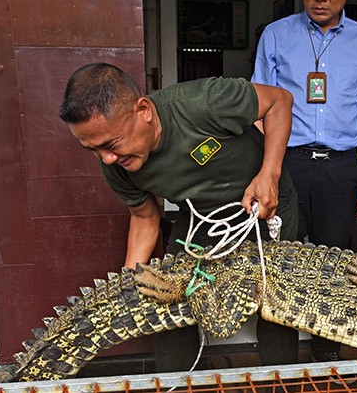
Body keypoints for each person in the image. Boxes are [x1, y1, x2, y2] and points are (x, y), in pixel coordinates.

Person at [59, 63, 301, 371]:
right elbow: (145, 218)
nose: (107, 158)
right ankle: (173, 384)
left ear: (143, 110)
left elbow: (279, 101)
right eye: (93, 150)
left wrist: (270, 174)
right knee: (166, 302)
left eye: (111, 144)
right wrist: (127, 285)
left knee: (276, 304)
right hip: (200, 218)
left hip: (262, 205)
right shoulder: (114, 165)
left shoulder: (204, 101)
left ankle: (281, 382)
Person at [252, 0, 357, 362]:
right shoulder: (276, 36)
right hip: (287, 165)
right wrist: (264, 171)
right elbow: (259, 110)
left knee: (336, 272)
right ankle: (276, 367)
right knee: (278, 266)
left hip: (342, 170)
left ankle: (327, 362)